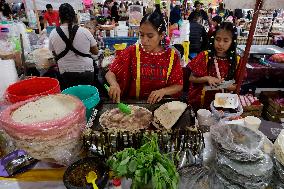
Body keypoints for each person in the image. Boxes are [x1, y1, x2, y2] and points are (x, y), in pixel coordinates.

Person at [105, 4, 183, 104]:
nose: (144, 40)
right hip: (134, 106)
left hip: (160, 107)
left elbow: (178, 85)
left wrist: (163, 91)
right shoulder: (132, 51)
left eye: (150, 36)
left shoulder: (172, 56)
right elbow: (110, 73)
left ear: (162, 35)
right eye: (141, 35)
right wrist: (114, 84)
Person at [187, 22, 242, 109]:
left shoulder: (237, 61)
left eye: (226, 40)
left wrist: (231, 87)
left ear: (232, 42)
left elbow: (237, 85)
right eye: (218, 39)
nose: (220, 44)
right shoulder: (204, 56)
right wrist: (207, 78)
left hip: (223, 105)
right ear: (213, 39)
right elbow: (191, 78)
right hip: (201, 103)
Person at [49, 3, 99, 90]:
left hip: (65, 73)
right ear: (74, 16)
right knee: (86, 96)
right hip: (86, 72)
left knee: (71, 99)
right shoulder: (84, 31)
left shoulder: (53, 33)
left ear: (59, 17)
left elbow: (54, 53)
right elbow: (96, 51)